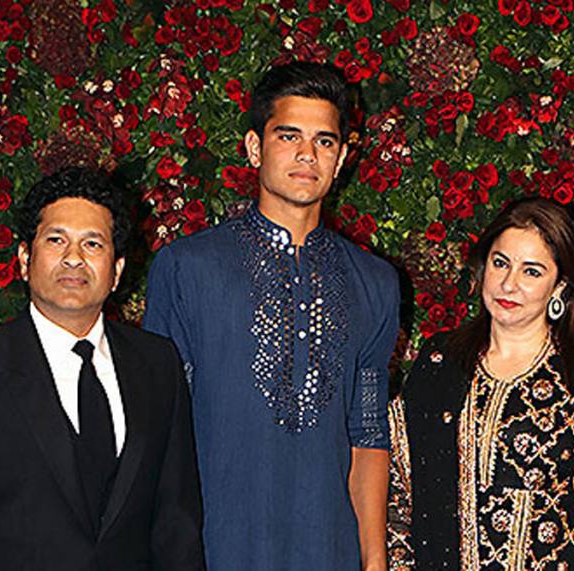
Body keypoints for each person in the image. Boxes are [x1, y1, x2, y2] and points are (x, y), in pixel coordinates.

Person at [143, 62, 399, 570]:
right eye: (289, 136)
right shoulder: (187, 268)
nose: (308, 154)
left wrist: (373, 563)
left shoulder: (374, 283)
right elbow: (158, 432)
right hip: (215, 550)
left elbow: (367, 435)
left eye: (325, 141)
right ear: (255, 148)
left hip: (328, 551)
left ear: (343, 157)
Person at [0, 168, 205, 570]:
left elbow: (176, 526)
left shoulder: (157, 365)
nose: (73, 258)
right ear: (24, 260)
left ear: (116, 271)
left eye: (92, 243)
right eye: (56, 240)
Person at [387, 197, 574, 570]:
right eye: (500, 263)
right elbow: (400, 491)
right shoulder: (441, 359)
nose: (509, 284)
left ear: (560, 286)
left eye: (532, 272)